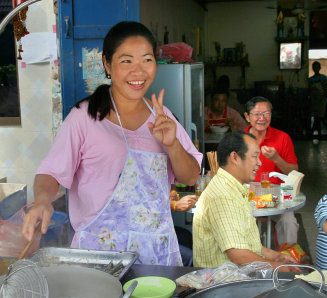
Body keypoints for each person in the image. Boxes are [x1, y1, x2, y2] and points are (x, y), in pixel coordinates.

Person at [22, 21, 202, 266]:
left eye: (147, 60)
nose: (138, 71)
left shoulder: (162, 117)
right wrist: (42, 200)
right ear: (107, 64)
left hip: (156, 256)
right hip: (98, 257)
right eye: (127, 61)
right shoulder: (83, 118)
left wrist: (173, 144)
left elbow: (191, 177)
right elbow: (51, 171)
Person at [192, 131, 299, 271]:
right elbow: (240, 256)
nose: (259, 163)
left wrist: (275, 256)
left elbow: (246, 244)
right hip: (223, 284)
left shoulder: (236, 188)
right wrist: (280, 269)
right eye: (255, 157)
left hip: (236, 277)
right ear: (235, 157)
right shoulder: (223, 196)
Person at [243, 96, 299, 247]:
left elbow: (294, 172)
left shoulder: (282, 138)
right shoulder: (240, 140)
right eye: (257, 114)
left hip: (276, 196)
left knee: (289, 221)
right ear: (247, 117)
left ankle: (288, 261)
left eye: (267, 113)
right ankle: (249, 261)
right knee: (242, 220)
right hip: (247, 196)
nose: (262, 118)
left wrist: (276, 158)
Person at [308, 61, 327, 143]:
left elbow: (325, 88)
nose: (316, 69)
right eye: (314, 67)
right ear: (312, 68)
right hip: (314, 100)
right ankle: (317, 131)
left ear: (320, 68)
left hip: (322, 99)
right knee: (316, 115)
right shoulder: (310, 79)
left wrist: (323, 97)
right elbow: (309, 90)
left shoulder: (324, 78)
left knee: (320, 115)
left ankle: (314, 129)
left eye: (317, 67)